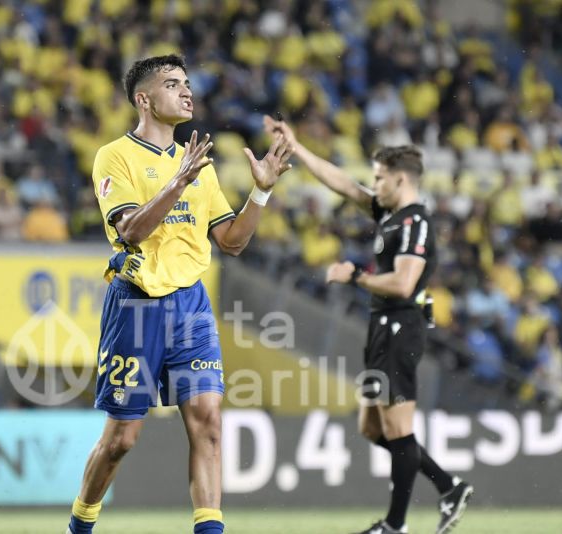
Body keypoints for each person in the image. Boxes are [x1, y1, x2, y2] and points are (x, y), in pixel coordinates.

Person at [66, 55, 292, 534]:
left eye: (187, 83)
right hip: (137, 306)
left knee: (209, 422)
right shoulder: (115, 156)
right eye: (172, 84)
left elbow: (231, 241)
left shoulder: (199, 166)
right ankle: (80, 526)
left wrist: (260, 194)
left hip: (191, 305)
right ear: (144, 99)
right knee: (121, 441)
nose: (187, 91)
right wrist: (178, 181)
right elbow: (130, 230)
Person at [264, 115, 473, 534]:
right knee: (372, 427)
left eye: (379, 178)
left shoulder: (415, 222)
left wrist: (355, 275)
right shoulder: (390, 215)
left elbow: (404, 283)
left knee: (397, 429)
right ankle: (448, 487)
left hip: (401, 327)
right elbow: (344, 185)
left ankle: (395, 525)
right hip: (382, 326)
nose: (374, 185)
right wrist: (297, 148)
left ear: (400, 179)